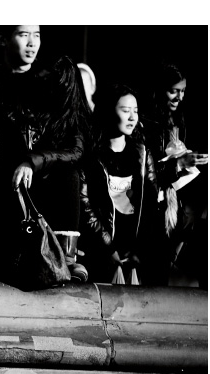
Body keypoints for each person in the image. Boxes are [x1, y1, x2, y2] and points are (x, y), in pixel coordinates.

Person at [0, 55, 92, 282]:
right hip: (13, 182)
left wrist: (31, 162)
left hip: (46, 184)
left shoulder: (69, 115)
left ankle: (65, 258)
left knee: (69, 176)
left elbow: (75, 152)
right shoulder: (18, 100)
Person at [141, 63, 208, 286]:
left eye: (183, 91)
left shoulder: (178, 121)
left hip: (174, 207)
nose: (179, 97)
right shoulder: (145, 124)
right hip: (153, 210)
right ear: (159, 90)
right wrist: (180, 163)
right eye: (173, 90)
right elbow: (148, 174)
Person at [79, 84, 150, 283]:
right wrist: (108, 248)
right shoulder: (92, 155)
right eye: (125, 110)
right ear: (109, 111)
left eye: (135, 111)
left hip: (134, 256)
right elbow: (85, 204)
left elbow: (149, 204)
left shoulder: (141, 154)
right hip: (102, 254)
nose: (132, 117)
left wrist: (140, 249)